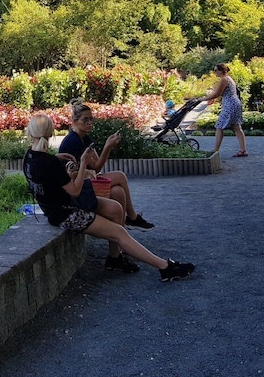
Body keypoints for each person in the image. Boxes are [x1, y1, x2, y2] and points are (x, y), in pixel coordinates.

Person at [23, 113, 195, 280]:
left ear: (31, 133)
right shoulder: (50, 163)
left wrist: (57, 158)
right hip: (66, 213)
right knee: (119, 232)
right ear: (51, 133)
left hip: (59, 206)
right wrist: (83, 163)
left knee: (115, 209)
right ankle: (164, 267)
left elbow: (45, 170)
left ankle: (115, 258)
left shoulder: (29, 157)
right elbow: (75, 190)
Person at [58, 98, 155, 230]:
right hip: (77, 187)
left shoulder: (84, 138)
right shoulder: (73, 141)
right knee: (120, 176)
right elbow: (83, 171)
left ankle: (118, 244)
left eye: (91, 119)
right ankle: (132, 218)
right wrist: (107, 147)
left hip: (87, 181)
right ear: (74, 122)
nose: (89, 123)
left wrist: (108, 146)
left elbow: (97, 166)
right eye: (85, 120)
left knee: (118, 192)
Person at [193, 63, 248, 157]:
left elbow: (216, 94)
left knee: (219, 126)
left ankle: (216, 150)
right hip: (235, 103)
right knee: (237, 127)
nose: (214, 72)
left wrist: (201, 99)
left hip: (230, 105)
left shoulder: (224, 79)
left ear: (221, 71)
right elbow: (219, 93)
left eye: (215, 70)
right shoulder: (229, 78)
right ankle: (243, 150)